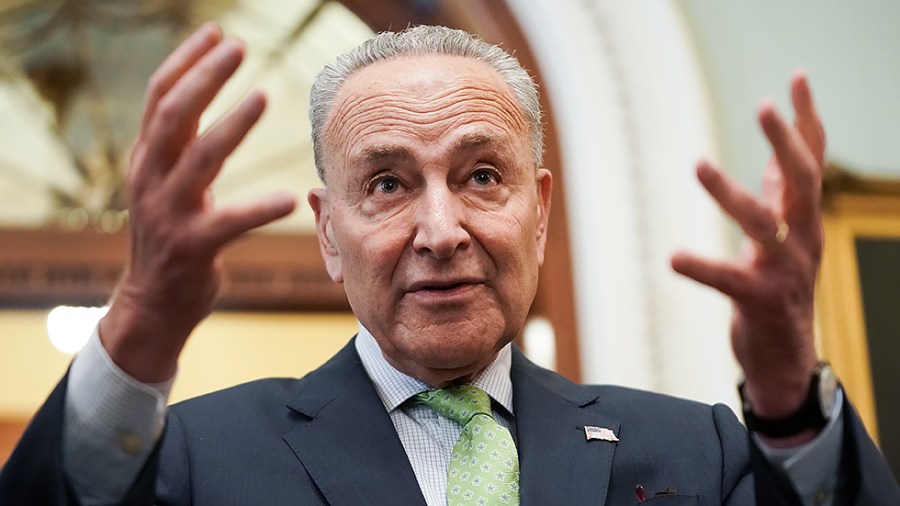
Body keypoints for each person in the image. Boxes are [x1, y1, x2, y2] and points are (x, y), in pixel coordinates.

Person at [1, 22, 898, 506]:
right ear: (326, 230)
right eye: (387, 184)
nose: (441, 229)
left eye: (479, 176)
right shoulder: (197, 459)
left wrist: (786, 389)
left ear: (539, 211)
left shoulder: (699, 453)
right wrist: (140, 324)